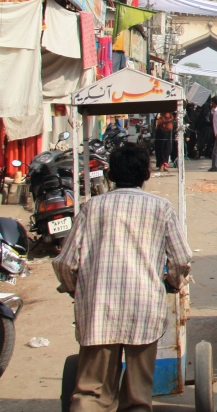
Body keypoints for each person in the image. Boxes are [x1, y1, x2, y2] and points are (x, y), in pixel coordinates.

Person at [53, 143, 191, 412]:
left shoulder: (91, 207)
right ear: (146, 174)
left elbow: (65, 262)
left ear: (111, 175)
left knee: (91, 393)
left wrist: (76, 289)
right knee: (138, 399)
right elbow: (181, 259)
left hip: (98, 310)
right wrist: (173, 283)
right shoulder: (160, 208)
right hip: (144, 309)